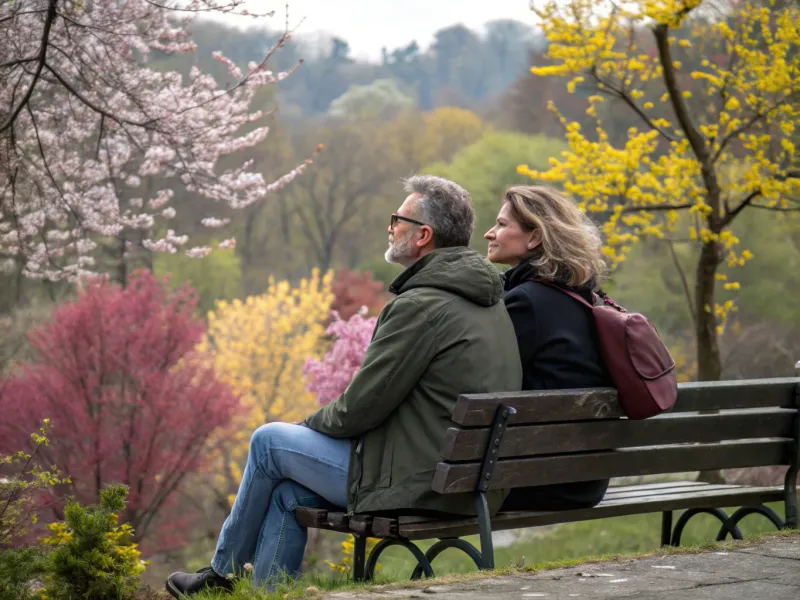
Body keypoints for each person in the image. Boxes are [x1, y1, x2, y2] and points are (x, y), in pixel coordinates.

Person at [166, 175, 522, 596]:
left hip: (422, 483)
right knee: (288, 493)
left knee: (269, 442)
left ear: (424, 235)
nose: (390, 228)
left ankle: (221, 575)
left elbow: (359, 408)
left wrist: (306, 426)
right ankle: (266, 592)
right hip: (470, 482)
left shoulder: (421, 305)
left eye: (398, 219)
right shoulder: (487, 300)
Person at [484, 185, 612, 511]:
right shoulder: (585, 298)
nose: (489, 233)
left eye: (501, 225)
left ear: (534, 238)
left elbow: (487, 385)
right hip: (585, 478)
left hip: (542, 479)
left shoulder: (526, 302)